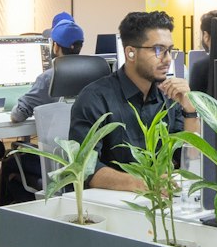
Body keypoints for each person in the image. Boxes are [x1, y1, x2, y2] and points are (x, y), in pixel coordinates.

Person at [71, 11, 197, 191]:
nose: (168, 59)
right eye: (158, 50)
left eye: (170, 50)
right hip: (112, 200)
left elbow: (189, 160)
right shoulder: (95, 98)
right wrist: (142, 183)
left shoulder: (169, 97)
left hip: (162, 197)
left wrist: (190, 111)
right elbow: (85, 168)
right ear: (130, 53)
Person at [0, 19, 87, 204]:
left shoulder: (48, 78)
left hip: (56, 162)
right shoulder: (94, 73)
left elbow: (17, 115)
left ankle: (1, 217)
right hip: (85, 161)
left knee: (10, 161)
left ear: (55, 46)